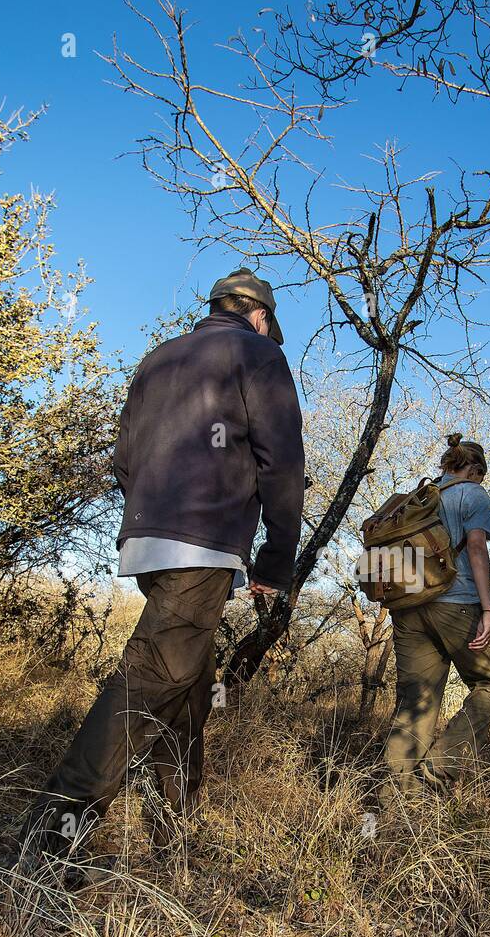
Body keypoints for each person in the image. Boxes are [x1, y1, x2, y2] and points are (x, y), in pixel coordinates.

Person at [23, 268, 305, 862]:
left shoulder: (159, 359)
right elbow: (280, 461)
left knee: (187, 683)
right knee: (148, 680)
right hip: (203, 543)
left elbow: (124, 460)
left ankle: (172, 835)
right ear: (259, 315)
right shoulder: (257, 354)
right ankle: (51, 840)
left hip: (148, 541)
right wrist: (277, 557)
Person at [382, 433, 490, 801]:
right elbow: (475, 547)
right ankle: (436, 771)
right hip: (456, 604)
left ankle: (394, 798)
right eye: (481, 474)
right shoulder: (472, 493)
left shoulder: (415, 498)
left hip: (408, 610)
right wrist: (487, 609)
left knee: (417, 699)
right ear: (475, 469)